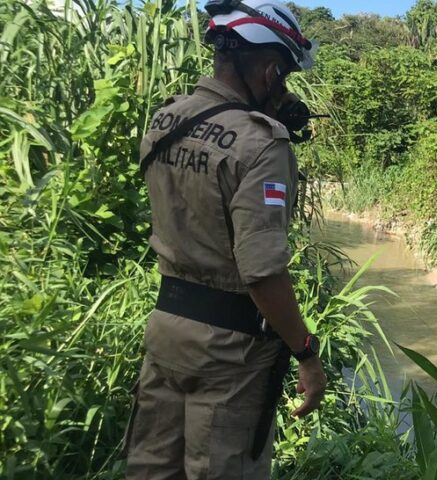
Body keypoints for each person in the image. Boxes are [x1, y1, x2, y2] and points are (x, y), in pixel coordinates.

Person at [124, 1, 326, 478]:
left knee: (152, 468)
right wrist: (305, 353)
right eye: (284, 76)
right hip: (230, 353)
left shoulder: (164, 121)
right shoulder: (263, 143)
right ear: (271, 67)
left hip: (167, 329)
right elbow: (261, 270)